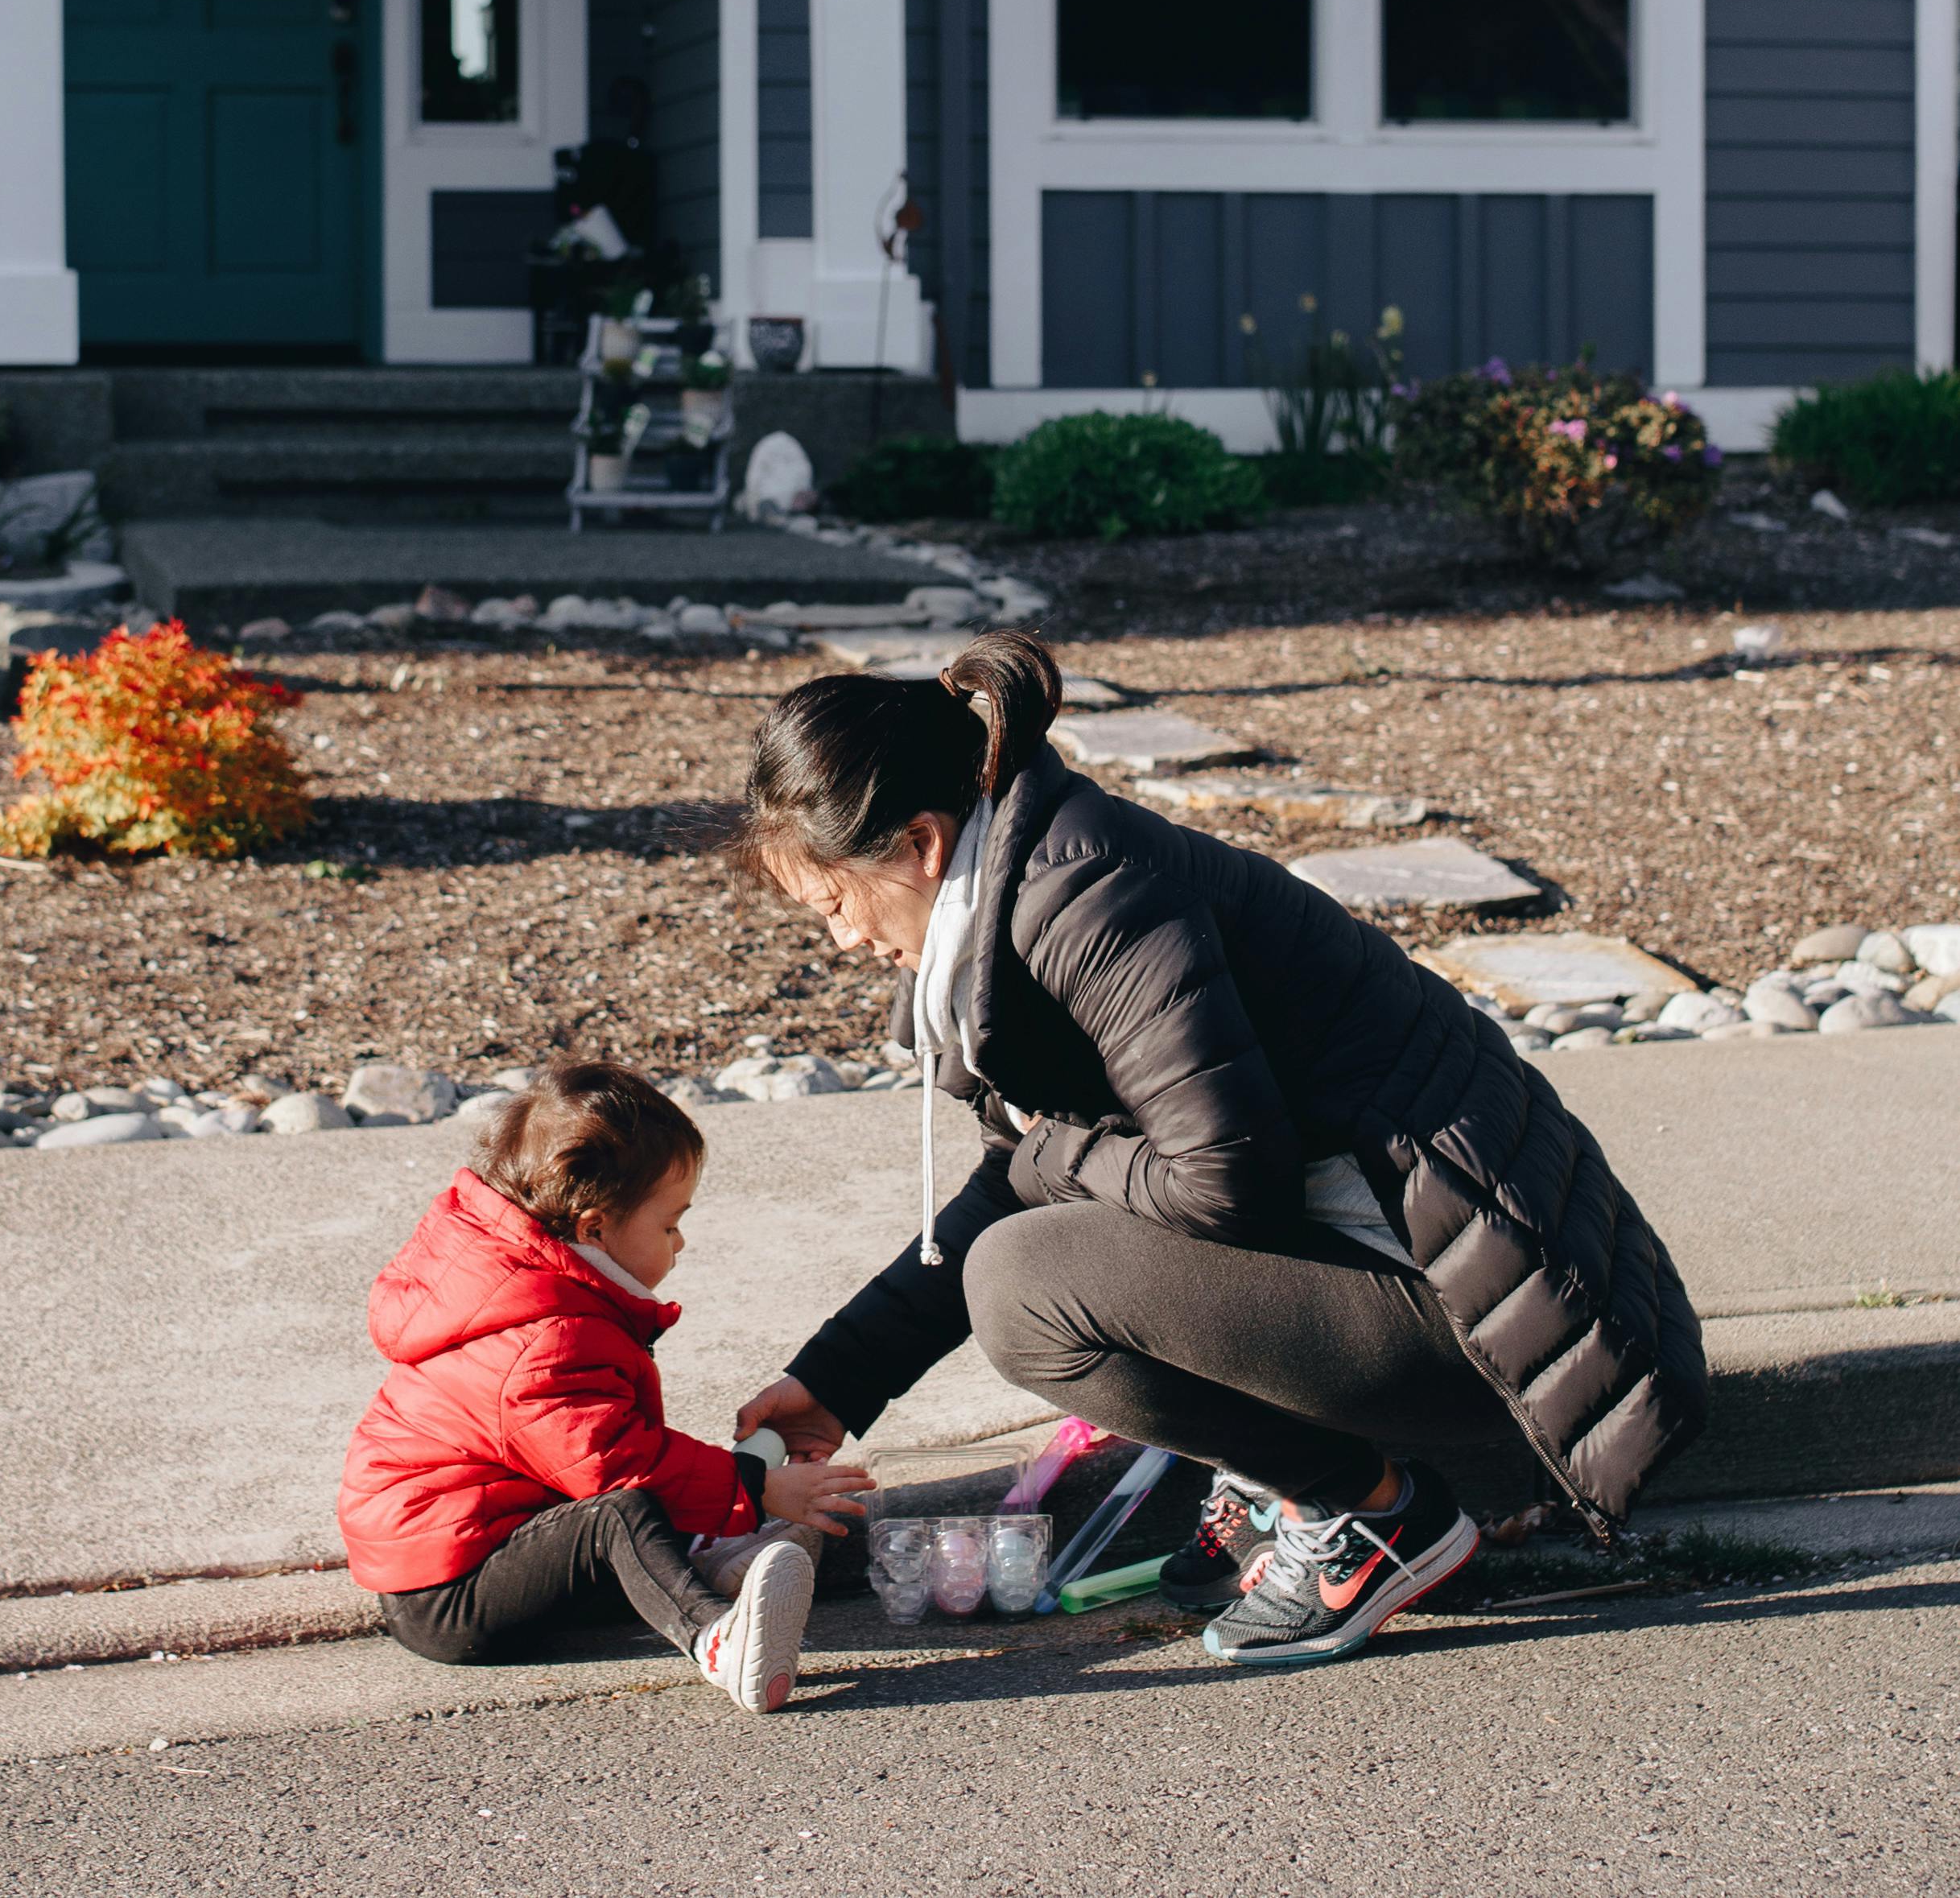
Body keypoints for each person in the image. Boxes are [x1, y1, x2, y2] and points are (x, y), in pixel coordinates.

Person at [722, 630, 1706, 1673]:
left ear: (921, 845)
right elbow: (1011, 1174)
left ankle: (1367, 1514)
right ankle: (1288, 1471)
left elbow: (1222, 1181)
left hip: (1508, 1320)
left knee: (1022, 1287)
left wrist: (1055, 1155)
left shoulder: (1086, 897)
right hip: (1419, 1267)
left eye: (831, 904)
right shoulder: (1010, 898)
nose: (838, 941)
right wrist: (836, 1381)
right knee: (1034, 1237)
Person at [337, 1057, 874, 1712]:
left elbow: (613, 1448)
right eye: (669, 1223)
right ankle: (717, 1635)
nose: (681, 1243)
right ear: (594, 1228)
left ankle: (721, 1558)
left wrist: (744, 1485)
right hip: (448, 1593)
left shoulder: (542, 1292)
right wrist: (755, 1487)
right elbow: (614, 1469)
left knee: (652, 1497)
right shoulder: (542, 1333)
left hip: (502, 1538)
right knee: (619, 1515)